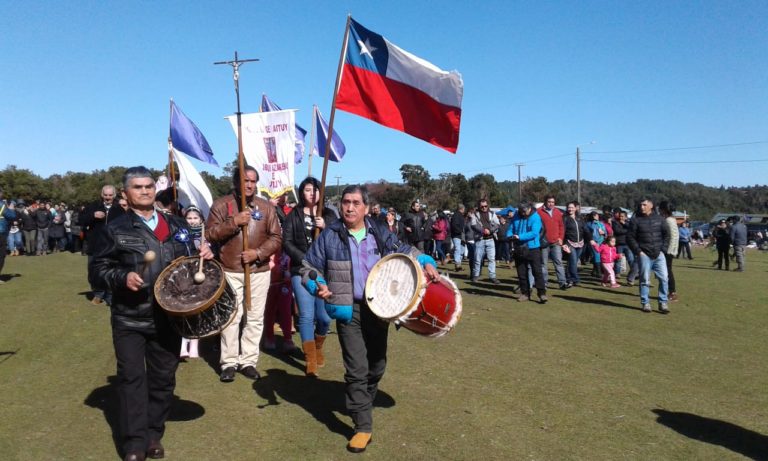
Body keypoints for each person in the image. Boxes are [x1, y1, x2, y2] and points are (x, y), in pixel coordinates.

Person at [301, 184, 439, 453]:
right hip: (346, 309)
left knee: (377, 365)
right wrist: (317, 283)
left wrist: (425, 260)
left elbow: (405, 250)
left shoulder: (379, 231)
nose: (350, 207)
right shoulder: (329, 235)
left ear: (365, 207)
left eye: (355, 203)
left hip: (379, 309)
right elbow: (307, 268)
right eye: (345, 202)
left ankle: (362, 397)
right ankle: (362, 425)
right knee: (356, 369)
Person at [91, 166, 214, 461]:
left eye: (148, 186)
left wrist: (203, 254)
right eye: (138, 187)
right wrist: (123, 278)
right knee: (132, 379)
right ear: (126, 193)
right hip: (130, 318)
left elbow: (190, 259)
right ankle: (134, 443)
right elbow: (97, 271)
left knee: (162, 380)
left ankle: (152, 434)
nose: (145, 191)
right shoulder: (114, 229)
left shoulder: (176, 225)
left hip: (168, 316)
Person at [206, 165, 282, 383]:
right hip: (230, 270)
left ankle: (248, 360)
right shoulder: (221, 205)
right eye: (244, 180)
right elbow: (210, 234)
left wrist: (257, 253)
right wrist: (234, 223)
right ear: (236, 181)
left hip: (259, 271)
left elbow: (276, 238)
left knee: (255, 317)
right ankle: (229, 362)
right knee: (231, 317)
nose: (249, 184)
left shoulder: (266, 208)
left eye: (252, 180)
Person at [282, 176, 335, 376]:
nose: (312, 193)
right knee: (306, 315)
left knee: (324, 317)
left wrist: (326, 227)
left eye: (315, 189)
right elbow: (286, 242)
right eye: (307, 190)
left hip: (324, 272)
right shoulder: (293, 215)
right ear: (302, 192)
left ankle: (318, 347)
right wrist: (304, 259)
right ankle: (310, 359)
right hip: (300, 270)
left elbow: (340, 240)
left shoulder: (329, 215)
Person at [82, 185, 125, 304]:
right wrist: (92, 216)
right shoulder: (93, 206)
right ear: (102, 195)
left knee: (111, 271)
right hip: (95, 245)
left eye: (110, 195)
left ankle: (110, 295)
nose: (107, 197)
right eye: (105, 195)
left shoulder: (119, 209)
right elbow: (81, 220)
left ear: (114, 195)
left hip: (112, 246)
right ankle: (98, 293)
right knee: (94, 270)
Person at [626, 197, 669, 314]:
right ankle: (645, 303)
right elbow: (629, 237)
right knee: (644, 279)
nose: (642, 207)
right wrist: (638, 251)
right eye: (640, 205)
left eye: (644, 205)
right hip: (644, 254)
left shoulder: (660, 219)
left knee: (664, 278)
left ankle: (663, 302)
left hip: (659, 254)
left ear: (651, 205)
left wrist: (663, 250)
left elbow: (666, 235)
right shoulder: (635, 220)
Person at [508, 202, 548, 303]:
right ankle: (525, 293)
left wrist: (520, 236)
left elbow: (534, 233)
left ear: (529, 208)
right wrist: (509, 235)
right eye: (521, 211)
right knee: (521, 272)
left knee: (537, 271)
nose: (522, 213)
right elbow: (510, 228)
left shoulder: (535, 217)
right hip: (519, 248)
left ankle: (542, 293)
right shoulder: (516, 216)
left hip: (532, 248)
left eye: (524, 211)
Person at [179, 206, 204, 360]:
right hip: (185, 275)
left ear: (201, 219)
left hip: (202, 274)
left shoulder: (206, 234)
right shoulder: (181, 234)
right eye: (189, 218)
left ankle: (194, 345)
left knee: (197, 309)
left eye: (195, 218)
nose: (192, 221)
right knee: (184, 309)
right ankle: (182, 344)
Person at [537, 195, 568, 290]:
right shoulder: (538, 212)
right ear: (545, 202)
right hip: (543, 242)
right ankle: (544, 283)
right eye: (549, 202)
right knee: (543, 264)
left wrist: (561, 238)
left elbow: (561, 226)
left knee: (559, 262)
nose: (551, 204)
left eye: (553, 202)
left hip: (556, 242)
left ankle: (562, 283)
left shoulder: (558, 212)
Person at [470, 198, 501, 284]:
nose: (484, 208)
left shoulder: (492, 213)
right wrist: (483, 231)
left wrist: (490, 231)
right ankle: (476, 275)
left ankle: (492, 276)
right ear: (479, 206)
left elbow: (497, 224)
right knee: (477, 259)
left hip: (490, 239)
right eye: (482, 206)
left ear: (488, 206)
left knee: (492, 259)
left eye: (485, 206)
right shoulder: (475, 214)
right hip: (480, 240)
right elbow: (473, 225)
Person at [659, 201, 679, 302]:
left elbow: (674, 237)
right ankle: (669, 291)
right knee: (666, 271)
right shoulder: (670, 219)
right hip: (669, 249)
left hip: (668, 250)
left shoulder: (669, 220)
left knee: (667, 271)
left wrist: (669, 250)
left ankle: (672, 292)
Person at [612, 210, 637, 285]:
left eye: (622, 216)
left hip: (628, 244)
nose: (621, 218)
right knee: (618, 259)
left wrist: (625, 224)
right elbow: (617, 231)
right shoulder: (615, 222)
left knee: (631, 259)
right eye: (620, 216)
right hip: (619, 244)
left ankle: (633, 274)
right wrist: (627, 231)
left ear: (626, 217)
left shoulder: (629, 223)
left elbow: (632, 229)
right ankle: (617, 273)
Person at [563, 201, 584, 287]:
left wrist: (590, 239)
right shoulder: (565, 218)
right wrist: (564, 243)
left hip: (580, 243)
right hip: (569, 243)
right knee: (573, 261)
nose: (570, 209)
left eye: (572, 207)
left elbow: (584, 229)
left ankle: (569, 278)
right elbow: (563, 232)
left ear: (576, 208)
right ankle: (575, 278)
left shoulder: (580, 218)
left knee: (572, 262)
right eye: (569, 207)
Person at [0, 188, 17, 281]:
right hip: (1, 232)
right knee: (1, 255)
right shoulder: (2, 205)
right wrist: (11, 207)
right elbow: (12, 216)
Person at [585, 211, 606, 278]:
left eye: (596, 215)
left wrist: (603, 233)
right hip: (593, 242)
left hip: (601, 241)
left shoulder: (601, 224)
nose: (596, 217)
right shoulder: (588, 224)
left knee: (597, 256)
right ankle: (598, 272)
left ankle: (594, 271)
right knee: (597, 255)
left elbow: (605, 233)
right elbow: (586, 233)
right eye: (594, 215)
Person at [450, 204, 466, 271]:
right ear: (462, 209)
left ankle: (459, 263)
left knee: (461, 249)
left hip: (460, 235)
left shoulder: (460, 215)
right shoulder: (456, 215)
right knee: (458, 249)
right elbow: (454, 225)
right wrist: (460, 231)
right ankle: (457, 264)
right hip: (456, 235)